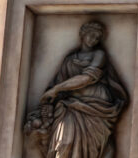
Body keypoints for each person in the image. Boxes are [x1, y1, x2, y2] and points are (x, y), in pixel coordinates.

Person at [26, 21, 128, 158]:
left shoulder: (99, 55)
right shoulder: (69, 60)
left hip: (96, 106)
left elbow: (87, 78)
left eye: (97, 37)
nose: (93, 39)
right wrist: (51, 98)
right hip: (70, 106)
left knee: (92, 147)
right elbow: (59, 83)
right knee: (64, 142)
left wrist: (56, 89)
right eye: (91, 35)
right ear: (82, 34)